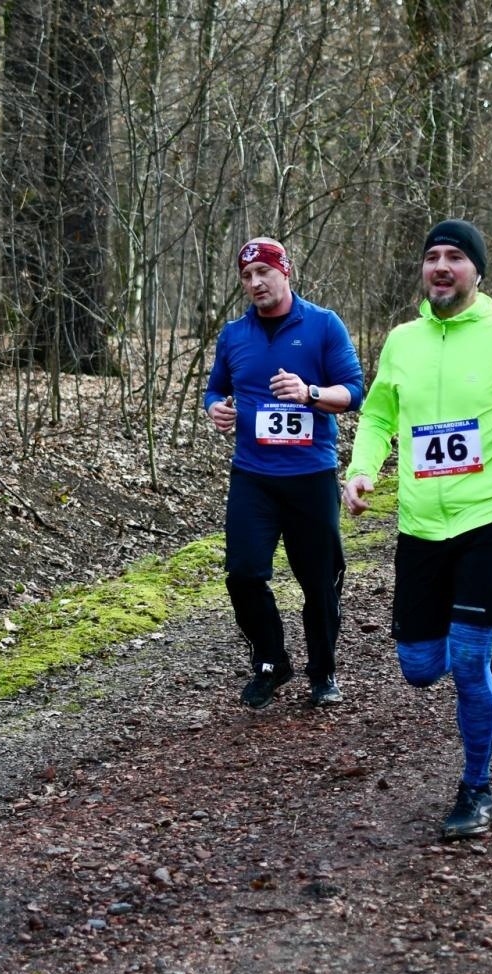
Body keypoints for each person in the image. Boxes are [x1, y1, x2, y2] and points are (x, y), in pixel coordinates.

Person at [342, 220, 492, 841]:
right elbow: (378, 416)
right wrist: (361, 470)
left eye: (455, 256)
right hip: (421, 526)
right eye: (432, 256)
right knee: (420, 667)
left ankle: (476, 788)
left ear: (477, 271)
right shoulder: (402, 341)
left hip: (489, 518)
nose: (442, 266)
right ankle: (477, 638)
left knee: (469, 660)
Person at [204, 237, 365, 709]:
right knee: (243, 574)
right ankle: (271, 662)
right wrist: (216, 408)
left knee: (319, 581)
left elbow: (354, 392)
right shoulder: (234, 334)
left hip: (310, 474)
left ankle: (323, 671)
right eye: (246, 277)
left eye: (264, 273)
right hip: (253, 475)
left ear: (285, 271)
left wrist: (310, 392)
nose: (256, 283)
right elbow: (215, 389)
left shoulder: (323, 325)